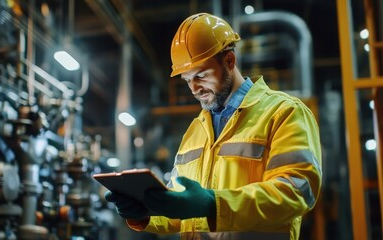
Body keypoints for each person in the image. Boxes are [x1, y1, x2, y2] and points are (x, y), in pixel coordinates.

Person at [105, 12, 322, 240]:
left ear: (229, 60)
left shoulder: (283, 112)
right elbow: (181, 208)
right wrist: (147, 213)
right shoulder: (195, 130)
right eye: (187, 80)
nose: (194, 89)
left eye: (201, 75)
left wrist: (213, 205)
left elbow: (296, 191)